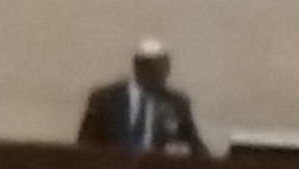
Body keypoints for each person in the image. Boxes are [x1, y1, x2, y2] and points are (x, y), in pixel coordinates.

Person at [76, 38, 205, 155]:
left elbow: (195, 148)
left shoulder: (176, 103)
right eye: (154, 68)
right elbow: (85, 144)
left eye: (165, 68)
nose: (162, 75)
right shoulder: (104, 99)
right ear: (138, 66)